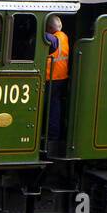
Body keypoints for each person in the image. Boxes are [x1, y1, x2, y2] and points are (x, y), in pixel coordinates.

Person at [44, 14, 70, 144]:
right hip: (61, 77)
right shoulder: (64, 36)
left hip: (52, 78)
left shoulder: (53, 38)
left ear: (49, 27)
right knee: (55, 106)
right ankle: (52, 135)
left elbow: (48, 38)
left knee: (51, 108)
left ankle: (52, 136)